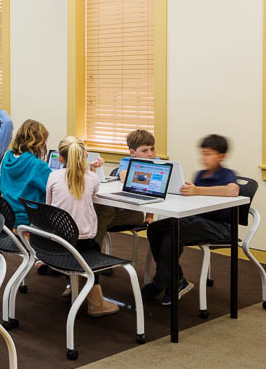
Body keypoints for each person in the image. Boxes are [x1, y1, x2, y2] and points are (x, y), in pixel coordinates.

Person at [145, 134, 240, 306]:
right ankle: (175, 280)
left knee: (173, 234)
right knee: (155, 229)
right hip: (197, 221)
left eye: (209, 153)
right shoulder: (200, 175)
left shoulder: (227, 175)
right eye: (203, 153)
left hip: (220, 228)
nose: (204, 157)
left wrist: (198, 191)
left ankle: (163, 282)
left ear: (221, 156)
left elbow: (232, 191)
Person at [45, 136, 120, 316]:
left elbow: (48, 205)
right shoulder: (92, 178)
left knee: (74, 238)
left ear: (60, 159)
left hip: (55, 242)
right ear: (84, 155)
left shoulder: (53, 176)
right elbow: (92, 191)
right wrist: (92, 169)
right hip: (81, 245)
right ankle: (96, 303)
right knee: (91, 245)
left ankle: (75, 285)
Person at [93, 129, 156, 247]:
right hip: (118, 205)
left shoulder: (158, 164)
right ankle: (91, 250)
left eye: (152, 149)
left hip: (133, 211)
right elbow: (124, 176)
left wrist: (149, 216)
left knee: (100, 216)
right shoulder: (127, 161)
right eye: (145, 150)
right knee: (102, 209)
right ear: (132, 152)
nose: (150, 154)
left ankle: (91, 250)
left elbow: (155, 193)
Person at [0, 119, 51, 227]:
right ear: (39, 142)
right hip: (30, 220)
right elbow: (56, 186)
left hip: (8, 218)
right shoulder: (38, 166)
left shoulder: (7, 158)